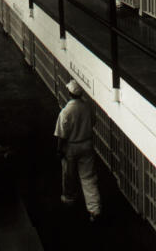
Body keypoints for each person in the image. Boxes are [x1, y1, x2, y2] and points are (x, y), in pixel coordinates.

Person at [54, 79, 102, 222]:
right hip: (86, 144)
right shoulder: (87, 107)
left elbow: (61, 134)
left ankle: (69, 199)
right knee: (88, 178)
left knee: (69, 174)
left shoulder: (66, 112)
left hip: (71, 146)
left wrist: (59, 150)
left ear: (69, 93)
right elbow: (93, 122)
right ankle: (95, 209)